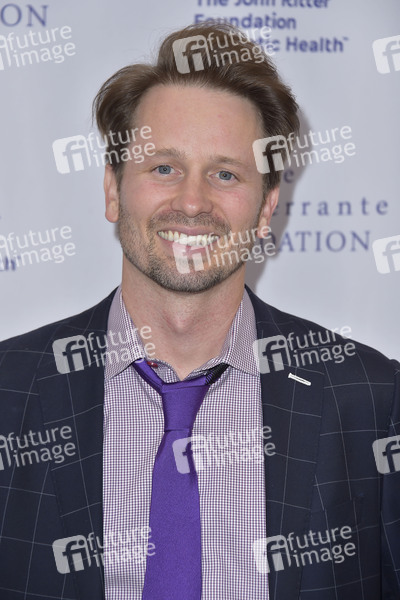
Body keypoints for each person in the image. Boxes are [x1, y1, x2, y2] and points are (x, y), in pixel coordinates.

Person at [0, 22, 399, 600]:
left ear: (266, 207)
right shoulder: (9, 392)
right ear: (113, 189)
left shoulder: (370, 399)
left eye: (225, 174)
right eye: (163, 167)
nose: (192, 202)